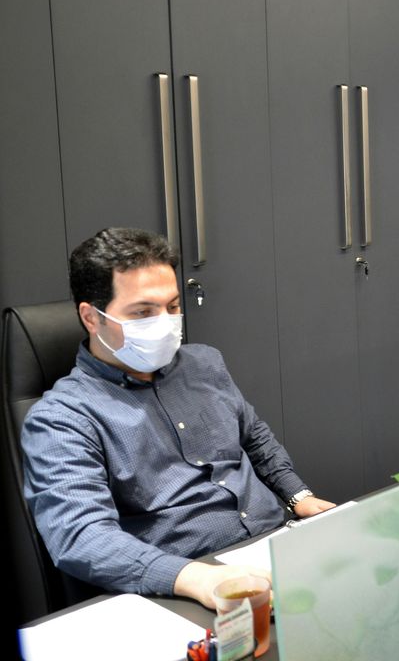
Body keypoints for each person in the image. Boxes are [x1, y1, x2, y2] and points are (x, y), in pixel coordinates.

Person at [21, 228, 336, 609]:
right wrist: (198, 579)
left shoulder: (204, 364)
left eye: (172, 307)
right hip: (183, 585)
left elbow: (254, 438)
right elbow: (81, 536)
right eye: (143, 312)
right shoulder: (62, 418)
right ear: (91, 317)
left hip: (273, 544)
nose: (165, 322)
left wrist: (299, 496)